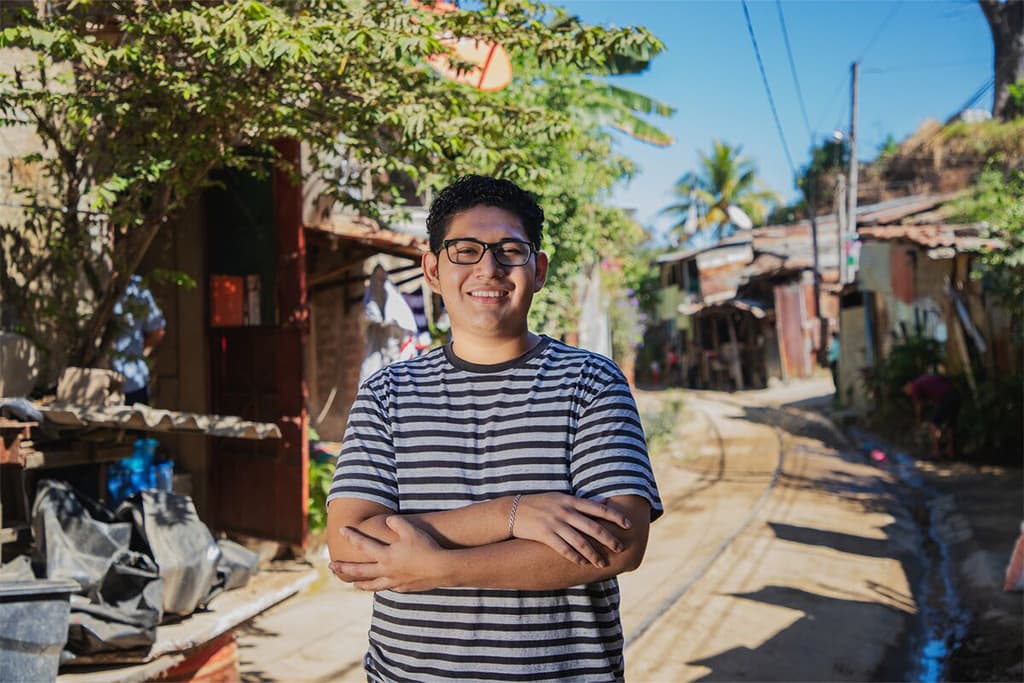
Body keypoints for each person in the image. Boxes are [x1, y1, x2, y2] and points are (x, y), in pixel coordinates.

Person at [326, 175, 662, 682]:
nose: (488, 267)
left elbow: (620, 541)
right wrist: (513, 515)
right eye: (465, 250)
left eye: (510, 249)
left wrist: (439, 567)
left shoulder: (590, 382)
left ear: (539, 269)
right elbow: (350, 543)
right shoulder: (386, 394)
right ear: (433, 270)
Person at [111, 274, 166, 405]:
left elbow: (158, 331)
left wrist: (139, 355)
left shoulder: (135, 286)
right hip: (93, 381)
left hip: (132, 381)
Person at [902, 373, 960, 460]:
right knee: (951, 424)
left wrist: (918, 420)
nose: (908, 393)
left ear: (908, 384)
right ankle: (950, 452)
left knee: (933, 424)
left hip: (947, 398)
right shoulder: (923, 380)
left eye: (906, 390)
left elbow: (918, 406)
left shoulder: (915, 386)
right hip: (956, 395)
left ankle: (936, 453)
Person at [827, 331, 840, 399]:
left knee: (835, 376)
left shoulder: (834, 343)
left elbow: (830, 351)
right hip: (835, 361)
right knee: (835, 376)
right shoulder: (837, 342)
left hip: (833, 361)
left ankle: (837, 391)